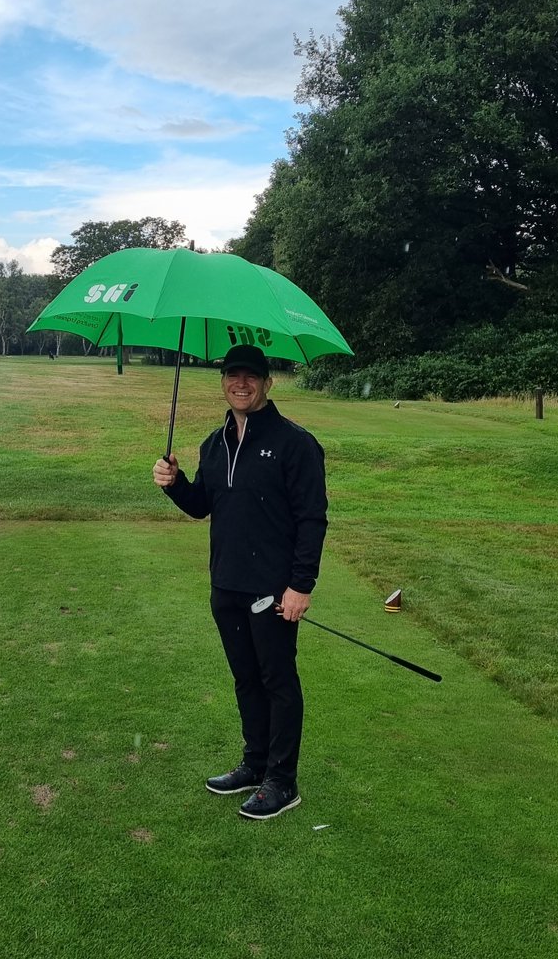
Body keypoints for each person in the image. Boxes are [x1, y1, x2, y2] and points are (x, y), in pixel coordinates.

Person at [152, 343, 328, 820]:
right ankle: (255, 765)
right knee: (246, 679)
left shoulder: (295, 443)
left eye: (251, 376)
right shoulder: (214, 444)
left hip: (273, 590)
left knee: (277, 680)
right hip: (226, 584)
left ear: (268, 382)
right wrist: (175, 484)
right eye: (233, 375)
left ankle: (282, 781)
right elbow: (202, 506)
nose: (241, 384)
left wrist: (301, 585)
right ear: (223, 383)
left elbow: (312, 519)